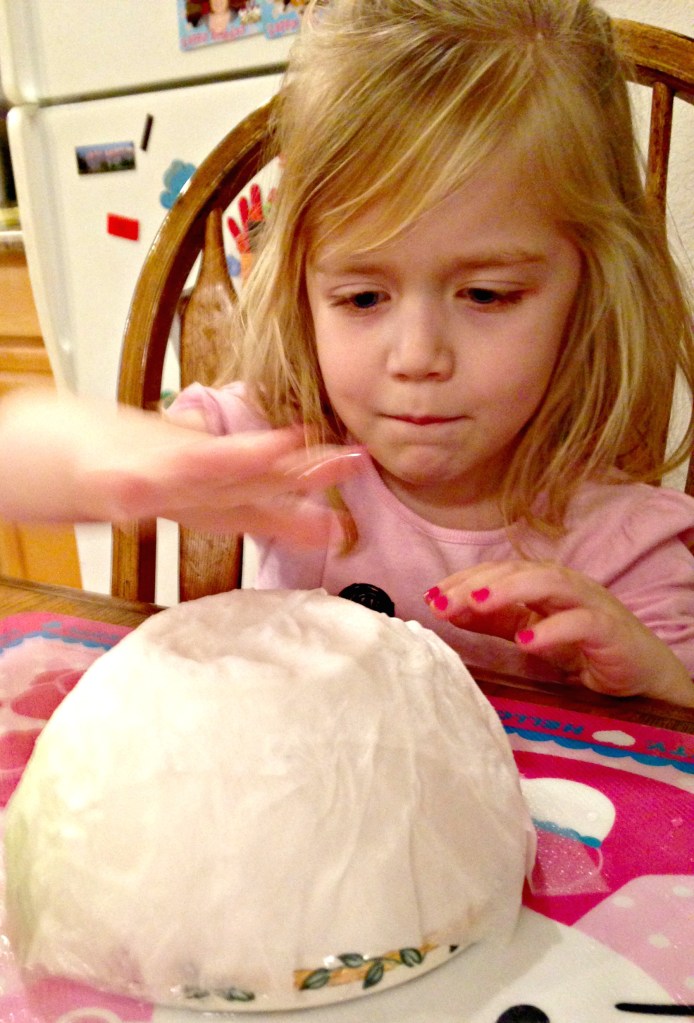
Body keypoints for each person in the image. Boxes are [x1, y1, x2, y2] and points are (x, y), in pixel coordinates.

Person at [1, 0, 693, 707]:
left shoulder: (625, 550)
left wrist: (661, 687)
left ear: (592, 288)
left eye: (486, 295)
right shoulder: (285, 444)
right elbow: (13, 455)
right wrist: (111, 457)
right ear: (304, 288)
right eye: (363, 298)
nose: (418, 357)